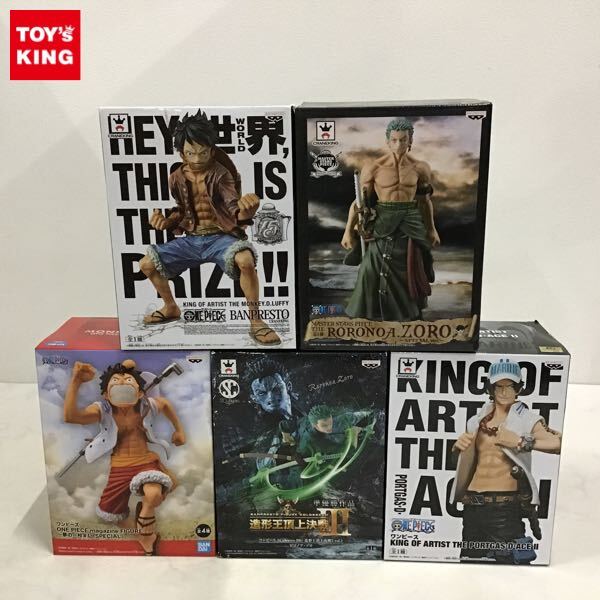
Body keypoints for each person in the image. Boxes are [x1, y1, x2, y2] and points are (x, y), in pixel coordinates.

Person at [139, 109, 280, 345]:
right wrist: (165, 221)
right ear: (181, 153)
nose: (197, 159)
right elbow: (181, 209)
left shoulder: (221, 174)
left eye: (203, 152)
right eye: (190, 153)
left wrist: (248, 210)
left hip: (220, 238)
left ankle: (256, 321)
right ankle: (171, 307)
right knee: (146, 264)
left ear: (212, 150)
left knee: (245, 260)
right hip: (191, 239)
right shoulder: (175, 177)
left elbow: (234, 208)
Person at [63, 359, 185, 555]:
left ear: (140, 392)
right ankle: (143, 534)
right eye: (115, 382)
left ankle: (147, 528)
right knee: (110, 514)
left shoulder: (146, 406)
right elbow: (71, 417)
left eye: (128, 381)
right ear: (106, 394)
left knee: (153, 495)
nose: (121, 384)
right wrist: (76, 381)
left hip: (145, 461)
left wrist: (179, 430)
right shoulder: (103, 410)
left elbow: (165, 404)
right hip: (120, 466)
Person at [451, 359, 562, 563]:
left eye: (509, 386)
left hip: (504, 509)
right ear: (490, 388)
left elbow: (558, 444)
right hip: (472, 508)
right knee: (469, 564)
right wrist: (457, 448)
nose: (503, 392)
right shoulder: (476, 421)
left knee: (509, 567)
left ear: (518, 388)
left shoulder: (527, 419)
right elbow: (466, 464)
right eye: (498, 386)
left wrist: (521, 441)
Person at [341, 117, 440, 321]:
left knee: (410, 269)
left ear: (410, 141)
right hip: (382, 220)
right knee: (370, 269)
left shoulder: (420, 168)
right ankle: (372, 314)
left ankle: (407, 315)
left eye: (403, 140)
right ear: (387, 141)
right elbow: (359, 202)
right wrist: (348, 231)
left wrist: (431, 229)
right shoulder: (374, 167)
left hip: (410, 222)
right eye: (394, 140)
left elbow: (424, 201)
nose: (399, 144)